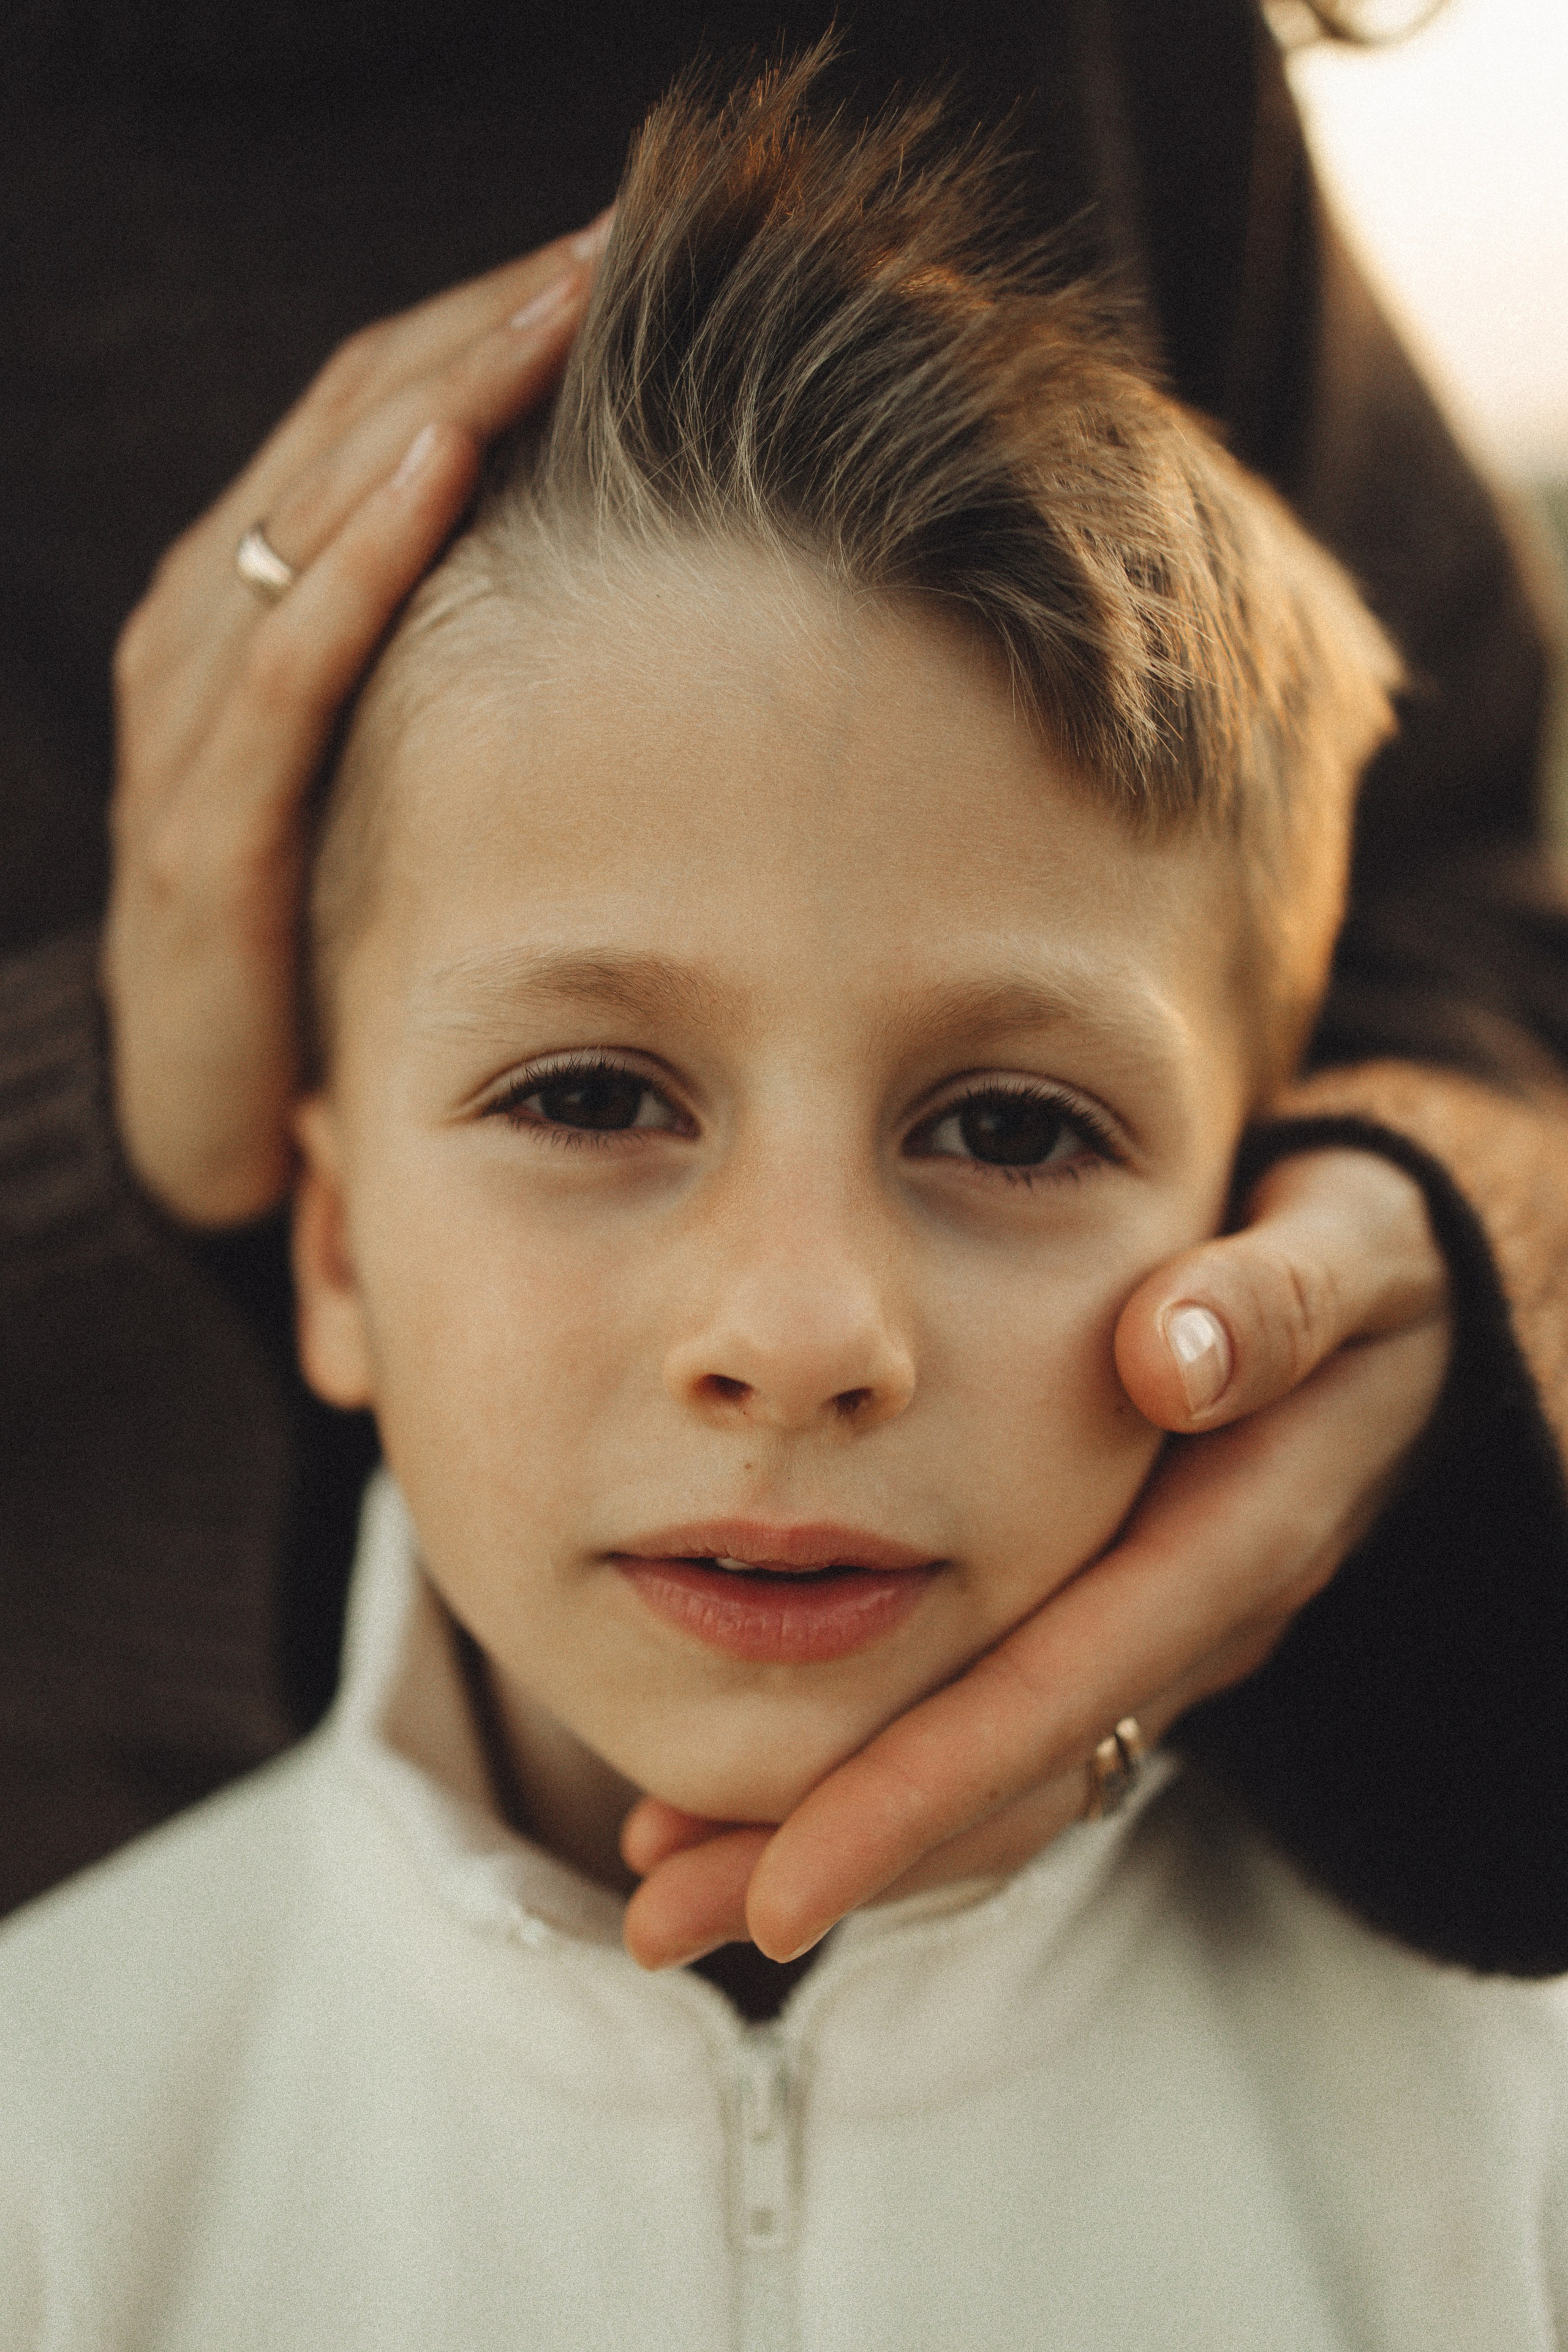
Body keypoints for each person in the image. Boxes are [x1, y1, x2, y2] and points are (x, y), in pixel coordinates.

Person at [4, 64, 1563, 2345]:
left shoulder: (1513, 2142)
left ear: (1253, 1194)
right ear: (331, 1244)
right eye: (594, 1091)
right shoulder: (54, 2154)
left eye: (1014, 1131)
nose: (807, 1322)